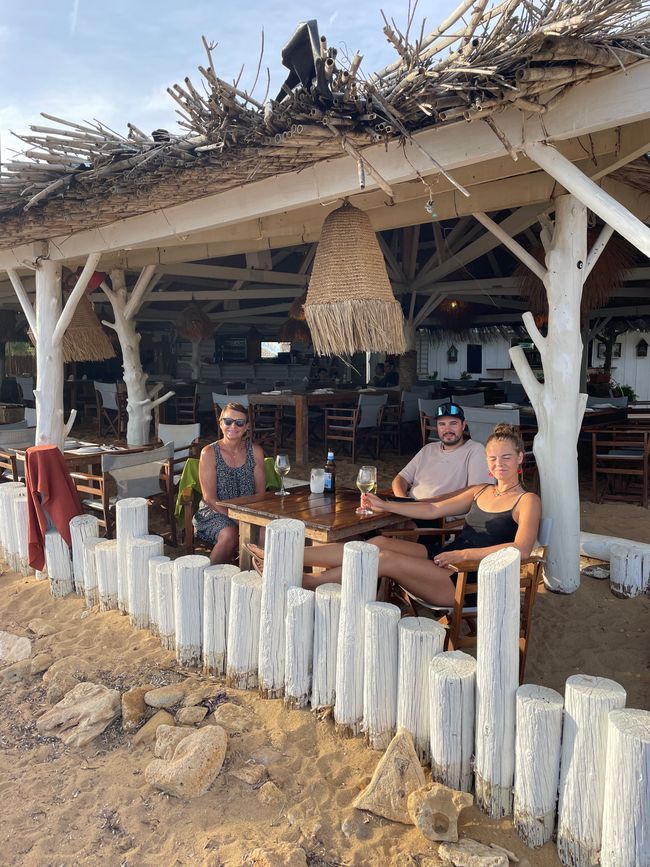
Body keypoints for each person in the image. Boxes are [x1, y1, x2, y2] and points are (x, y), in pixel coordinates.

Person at [246, 424, 540, 606]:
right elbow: (432, 508)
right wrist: (386, 506)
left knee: (382, 560)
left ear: (519, 460)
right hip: (446, 557)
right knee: (375, 545)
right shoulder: (481, 490)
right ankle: (284, 555)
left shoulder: (527, 500)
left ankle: (307, 582)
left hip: (469, 578)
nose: (498, 463)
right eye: (493, 458)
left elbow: (521, 549)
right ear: (487, 462)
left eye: (506, 457)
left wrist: (467, 557)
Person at [194, 402, 266, 565]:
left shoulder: (255, 451)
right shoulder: (209, 452)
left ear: (247, 426)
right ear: (220, 423)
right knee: (229, 534)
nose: (233, 426)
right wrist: (237, 518)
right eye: (228, 421)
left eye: (239, 422)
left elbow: (261, 494)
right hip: (214, 512)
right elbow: (210, 498)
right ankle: (208, 580)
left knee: (265, 533)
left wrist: (249, 518)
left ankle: (254, 577)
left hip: (247, 511)